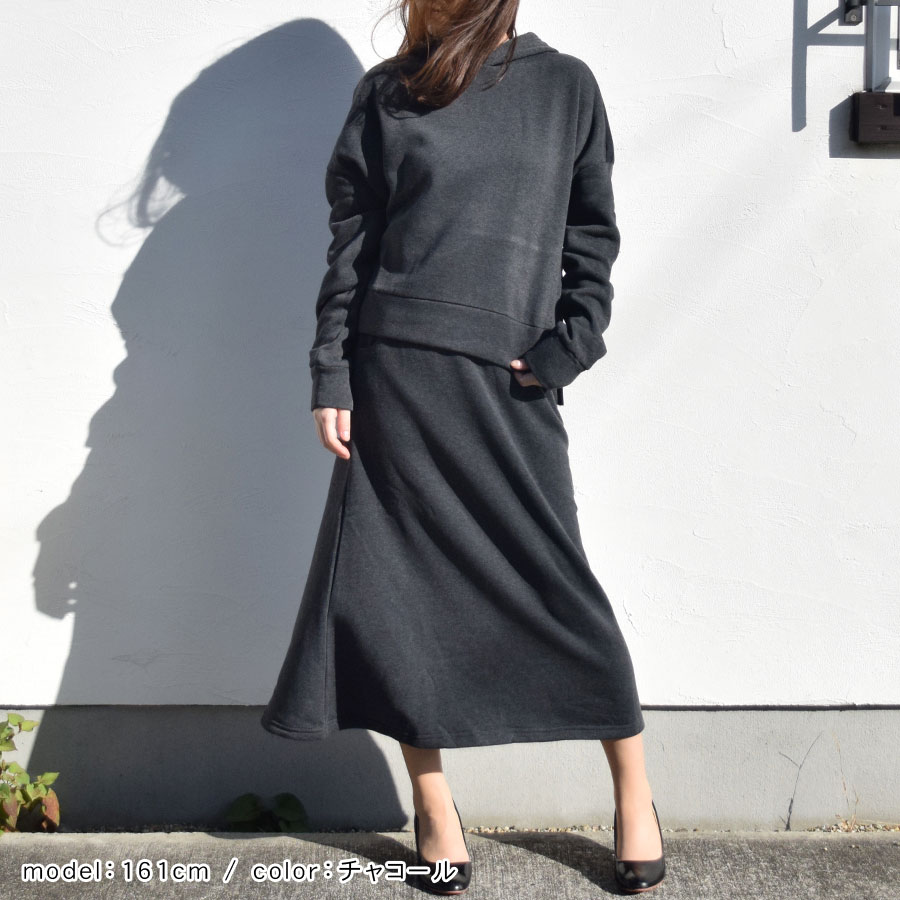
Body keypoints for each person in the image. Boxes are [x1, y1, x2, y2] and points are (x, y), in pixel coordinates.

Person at [261, 2, 666, 894]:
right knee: (395, 600)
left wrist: (569, 346)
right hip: (396, 379)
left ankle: (635, 794)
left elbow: (591, 237)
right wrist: (332, 373)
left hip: (506, 384)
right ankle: (434, 808)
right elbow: (353, 244)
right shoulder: (389, 94)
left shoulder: (564, 87)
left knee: (557, 585)